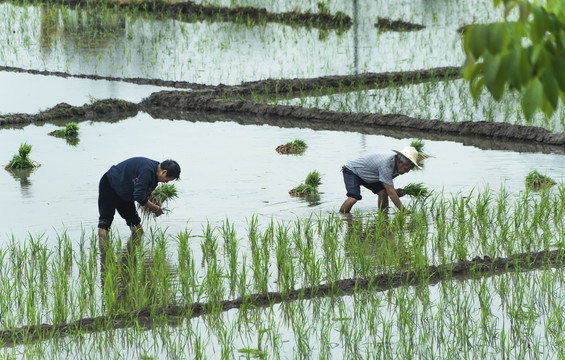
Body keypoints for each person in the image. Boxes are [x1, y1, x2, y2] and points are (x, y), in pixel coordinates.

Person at [97, 157, 181, 245]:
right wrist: (155, 208)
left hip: (125, 191)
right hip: (110, 184)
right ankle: (103, 254)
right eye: (167, 180)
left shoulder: (154, 175)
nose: (166, 182)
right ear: (164, 172)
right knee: (105, 221)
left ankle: (132, 251)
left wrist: (151, 199)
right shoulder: (147, 170)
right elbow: (139, 196)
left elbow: (142, 192)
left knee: (135, 224)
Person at [339, 146, 421, 214]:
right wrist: (403, 211)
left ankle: (383, 217)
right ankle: (342, 217)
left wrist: (395, 191)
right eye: (407, 169)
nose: (407, 172)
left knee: (383, 193)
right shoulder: (387, 165)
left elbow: (386, 185)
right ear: (399, 162)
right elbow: (390, 191)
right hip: (352, 170)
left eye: (409, 170)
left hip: (368, 175)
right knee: (354, 197)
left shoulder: (396, 167)